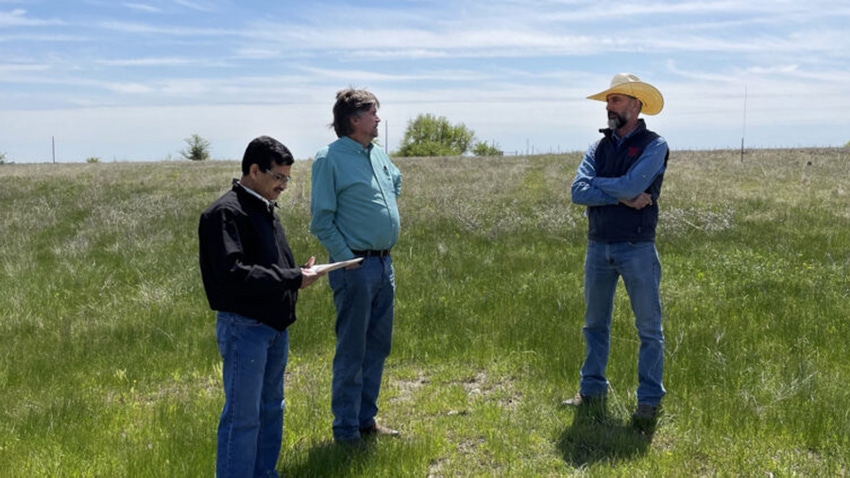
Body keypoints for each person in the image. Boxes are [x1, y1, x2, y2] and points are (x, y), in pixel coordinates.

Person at [199, 135, 321, 477]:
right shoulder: (225, 213)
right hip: (245, 328)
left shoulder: (264, 207)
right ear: (254, 169)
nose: (284, 185)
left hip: (274, 328)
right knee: (243, 418)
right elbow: (233, 274)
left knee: (271, 410)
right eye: (278, 177)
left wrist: (298, 272)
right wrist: (291, 277)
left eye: (287, 178)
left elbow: (268, 264)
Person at [565, 73, 669, 430]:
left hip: (637, 247)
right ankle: (591, 390)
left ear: (636, 105)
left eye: (616, 100)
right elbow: (577, 191)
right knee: (594, 324)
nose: (609, 107)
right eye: (608, 101)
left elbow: (634, 183)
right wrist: (623, 195)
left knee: (649, 328)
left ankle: (649, 399)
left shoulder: (655, 145)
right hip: (598, 246)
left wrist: (613, 187)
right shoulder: (598, 148)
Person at [310, 88, 403, 443]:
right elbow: (321, 219)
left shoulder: (376, 153)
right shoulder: (329, 159)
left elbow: (395, 181)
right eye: (372, 113)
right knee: (353, 349)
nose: (378, 119)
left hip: (383, 265)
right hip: (356, 267)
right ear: (354, 119)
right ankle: (346, 430)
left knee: (377, 346)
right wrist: (346, 259)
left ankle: (366, 421)